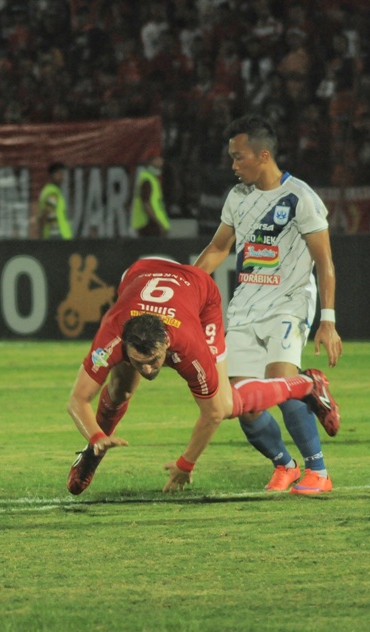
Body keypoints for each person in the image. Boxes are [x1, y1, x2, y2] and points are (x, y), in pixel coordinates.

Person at [66, 257, 339, 496]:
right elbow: (77, 399)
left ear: (167, 347)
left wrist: (186, 464)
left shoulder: (188, 346)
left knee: (226, 404)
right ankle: (92, 454)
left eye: (153, 361)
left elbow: (212, 414)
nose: (148, 371)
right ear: (123, 344)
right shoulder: (111, 334)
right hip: (139, 273)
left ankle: (306, 384)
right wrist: (95, 436)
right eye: (139, 362)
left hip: (200, 292)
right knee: (120, 390)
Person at [195, 115, 343, 496]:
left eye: (238, 157)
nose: (232, 165)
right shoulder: (237, 198)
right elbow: (217, 249)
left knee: (281, 384)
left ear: (263, 155)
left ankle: (319, 471)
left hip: (289, 304)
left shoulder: (301, 198)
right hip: (245, 308)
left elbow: (324, 261)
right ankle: (285, 465)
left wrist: (327, 320)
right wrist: (187, 288)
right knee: (242, 403)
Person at [130, 154, 171, 237]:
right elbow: (146, 204)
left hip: (152, 225)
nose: (159, 169)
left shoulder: (152, 180)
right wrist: (158, 223)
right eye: (156, 166)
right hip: (148, 225)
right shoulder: (147, 181)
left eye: (160, 167)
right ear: (149, 165)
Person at [36, 162, 73, 239]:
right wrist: (40, 238)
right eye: (59, 174)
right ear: (52, 175)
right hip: (57, 235)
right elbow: (45, 214)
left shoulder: (51, 191)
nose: (62, 177)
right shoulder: (52, 193)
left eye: (62, 174)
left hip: (58, 235)